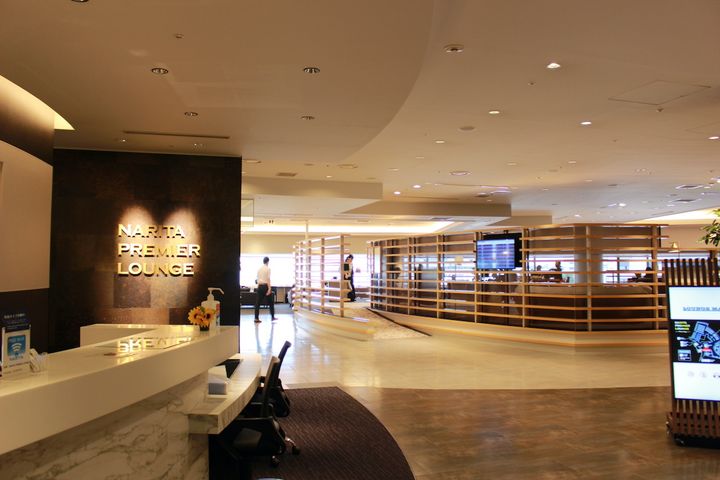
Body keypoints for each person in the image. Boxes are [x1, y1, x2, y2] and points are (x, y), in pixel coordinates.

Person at [254, 256, 276, 323]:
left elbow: (257, 279)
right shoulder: (268, 269)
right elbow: (268, 279)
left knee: (257, 303)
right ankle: (272, 317)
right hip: (265, 286)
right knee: (271, 302)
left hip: (260, 286)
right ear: (268, 261)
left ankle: (256, 318)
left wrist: (258, 287)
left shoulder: (259, 269)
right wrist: (269, 288)